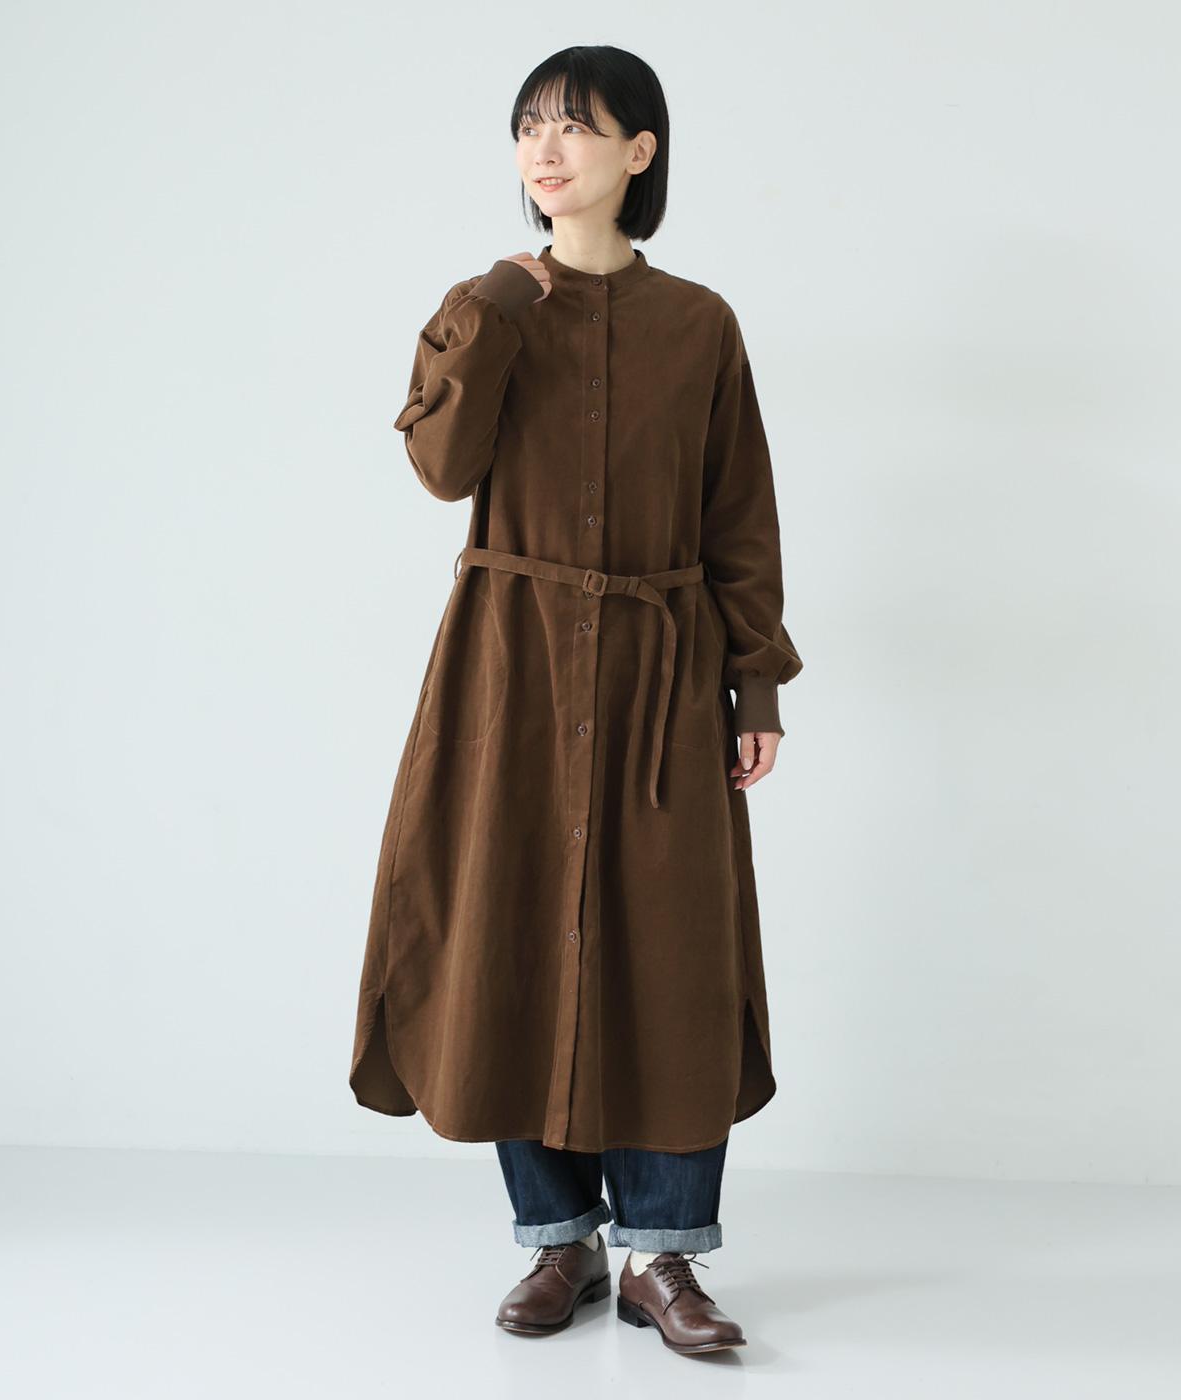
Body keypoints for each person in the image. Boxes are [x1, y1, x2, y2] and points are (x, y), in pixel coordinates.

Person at [349, 45, 803, 1354]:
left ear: (640, 151)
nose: (546, 151)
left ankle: (665, 1256)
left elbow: (739, 515)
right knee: (507, 926)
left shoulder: (700, 324)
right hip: (514, 669)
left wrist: (755, 679)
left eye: (578, 128)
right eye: (529, 128)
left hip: (664, 672)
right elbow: (441, 467)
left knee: (673, 951)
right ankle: (558, 1243)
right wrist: (497, 302)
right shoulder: (487, 307)